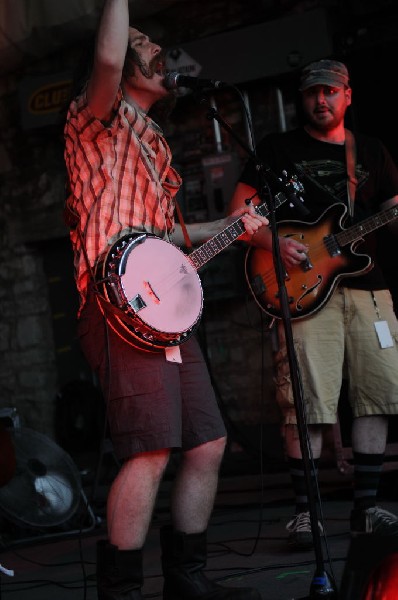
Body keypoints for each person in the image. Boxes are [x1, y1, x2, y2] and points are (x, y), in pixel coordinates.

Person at [63, 1, 268, 598]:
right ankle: (122, 591)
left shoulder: (154, 142)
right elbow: (106, 54)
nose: (156, 49)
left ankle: (188, 581)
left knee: (207, 441)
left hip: (161, 310)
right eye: (144, 43)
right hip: (114, 304)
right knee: (150, 445)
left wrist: (236, 228)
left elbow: (168, 239)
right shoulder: (95, 115)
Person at [229, 58, 398, 549]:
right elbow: (238, 213)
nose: (320, 100)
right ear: (303, 99)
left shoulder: (371, 150)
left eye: (329, 91)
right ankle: (307, 515)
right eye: (311, 93)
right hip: (302, 290)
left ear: (348, 96)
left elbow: (389, 214)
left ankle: (366, 510)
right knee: (305, 403)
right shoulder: (277, 149)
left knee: (378, 393)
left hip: (368, 289)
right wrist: (273, 243)